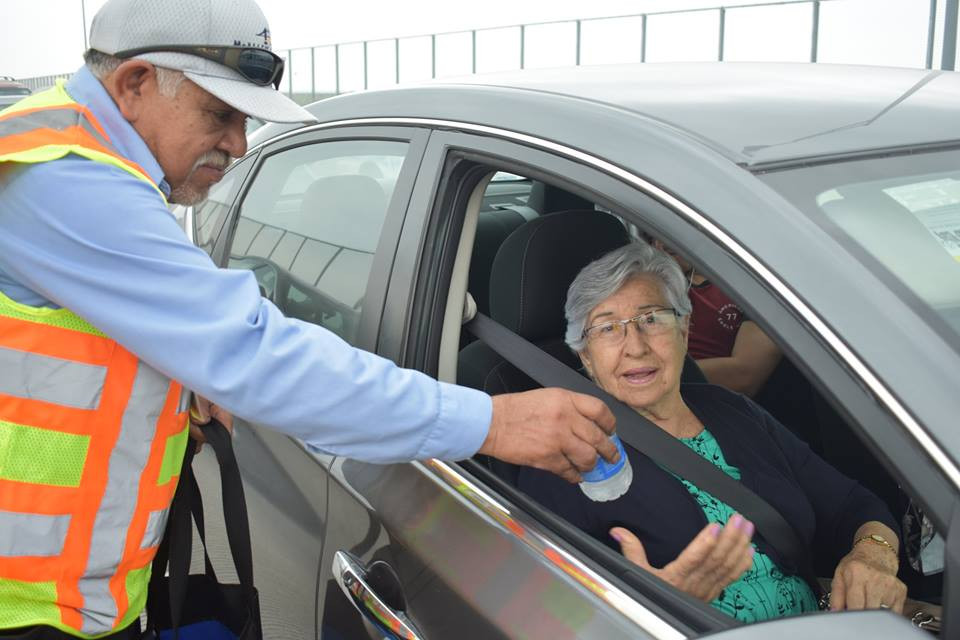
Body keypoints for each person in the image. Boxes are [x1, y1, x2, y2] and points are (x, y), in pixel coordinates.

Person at [0, 1, 616, 637]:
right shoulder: (63, 179)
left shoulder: (77, 152)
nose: (239, 145)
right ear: (135, 83)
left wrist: (181, 373)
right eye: (221, 114)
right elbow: (256, 354)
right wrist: (492, 421)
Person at [517, 242, 907, 623]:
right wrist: (647, 610)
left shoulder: (733, 410)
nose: (635, 346)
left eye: (652, 319)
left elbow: (855, 505)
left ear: (684, 332)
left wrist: (873, 555)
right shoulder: (565, 456)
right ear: (586, 355)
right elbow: (548, 616)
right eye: (607, 329)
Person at [652, 239, 781, 397]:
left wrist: (650, 375)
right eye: (655, 237)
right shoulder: (651, 290)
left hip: (718, 404)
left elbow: (744, 375)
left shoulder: (753, 288)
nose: (663, 242)